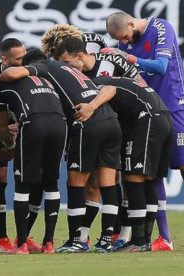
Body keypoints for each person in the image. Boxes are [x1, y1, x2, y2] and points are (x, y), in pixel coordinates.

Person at [0, 48, 120, 253]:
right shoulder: (74, 73)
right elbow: (111, 89)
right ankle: (105, 239)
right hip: (111, 122)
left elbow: (10, 74)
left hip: (86, 122)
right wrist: (94, 104)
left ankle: (76, 240)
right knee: (106, 185)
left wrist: (3, 75)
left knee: (75, 183)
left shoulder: (44, 67)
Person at [106, 11, 184, 251]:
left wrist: (127, 58)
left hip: (176, 107)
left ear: (131, 22)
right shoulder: (123, 43)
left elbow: (161, 67)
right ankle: (164, 238)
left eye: (127, 36)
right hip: (151, 112)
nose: (127, 42)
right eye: (123, 40)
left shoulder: (162, 28)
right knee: (154, 175)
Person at [53, 35, 141, 246]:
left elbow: (140, 85)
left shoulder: (111, 64)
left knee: (123, 181)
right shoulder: (75, 76)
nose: (66, 68)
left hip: (123, 127)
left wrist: (95, 105)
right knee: (92, 184)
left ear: (81, 55)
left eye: (67, 63)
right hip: (92, 129)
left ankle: (124, 235)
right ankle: (85, 237)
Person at [92, 76, 173, 252]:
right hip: (165, 117)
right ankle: (145, 240)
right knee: (149, 180)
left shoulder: (94, 84)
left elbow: (109, 90)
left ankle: (138, 241)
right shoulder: (121, 78)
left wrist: (91, 106)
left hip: (148, 120)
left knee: (133, 179)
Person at [0, 65, 68, 254]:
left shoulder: (2, 87)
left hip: (33, 123)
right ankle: (49, 243)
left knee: (23, 184)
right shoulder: (47, 80)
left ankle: (21, 245)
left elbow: (2, 126)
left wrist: (9, 145)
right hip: (60, 123)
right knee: (51, 182)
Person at [0, 37, 34, 253]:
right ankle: (2, 239)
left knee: (34, 179)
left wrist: (19, 125)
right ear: (4, 59)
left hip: (23, 132)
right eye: (18, 58)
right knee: (0, 177)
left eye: (25, 56)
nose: (24, 61)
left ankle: (24, 236)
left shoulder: (29, 71)